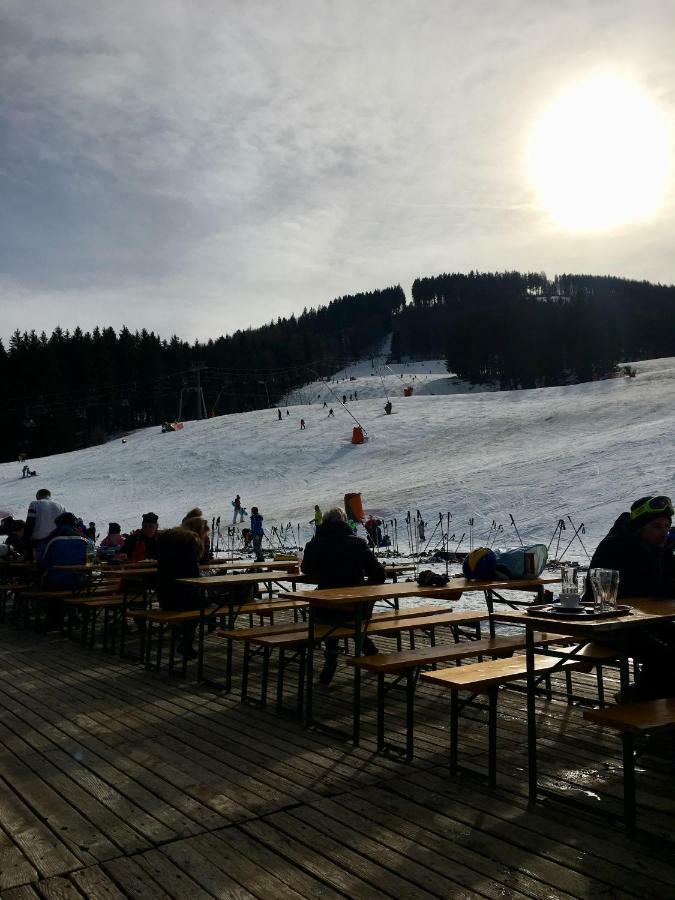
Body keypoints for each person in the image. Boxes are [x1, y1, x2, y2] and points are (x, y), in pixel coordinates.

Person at [587, 495, 675, 700]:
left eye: (667, 527)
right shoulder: (616, 546)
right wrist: (663, 587)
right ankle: (637, 700)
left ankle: (652, 702)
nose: (663, 533)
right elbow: (634, 588)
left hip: (645, 621)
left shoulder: (660, 549)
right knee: (665, 654)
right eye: (657, 527)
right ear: (639, 526)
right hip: (606, 623)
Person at [301, 507, 385, 685]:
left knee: (332, 622)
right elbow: (379, 574)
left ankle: (330, 661)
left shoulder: (314, 545)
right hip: (356, 608)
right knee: (351, 622)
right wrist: (363, 591)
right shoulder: (358, 543)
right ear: (344, 522)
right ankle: (371, 653)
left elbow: (306, 570)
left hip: (324, 609)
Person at [156, 516, 210, 659]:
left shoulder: (168, 540)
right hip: (181, 596)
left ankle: (178, 631)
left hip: (164, 593)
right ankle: (185, 643)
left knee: (198, 601)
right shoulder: (190, 542)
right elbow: (192, 572)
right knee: (203, 605)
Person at [23, 489, 66, 559]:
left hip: (38, 543)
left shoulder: (34, 504)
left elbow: (30, 524)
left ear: (38, 496)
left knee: (39, 565)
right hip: (56, 542)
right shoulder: (61, 507)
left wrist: (25, 541)